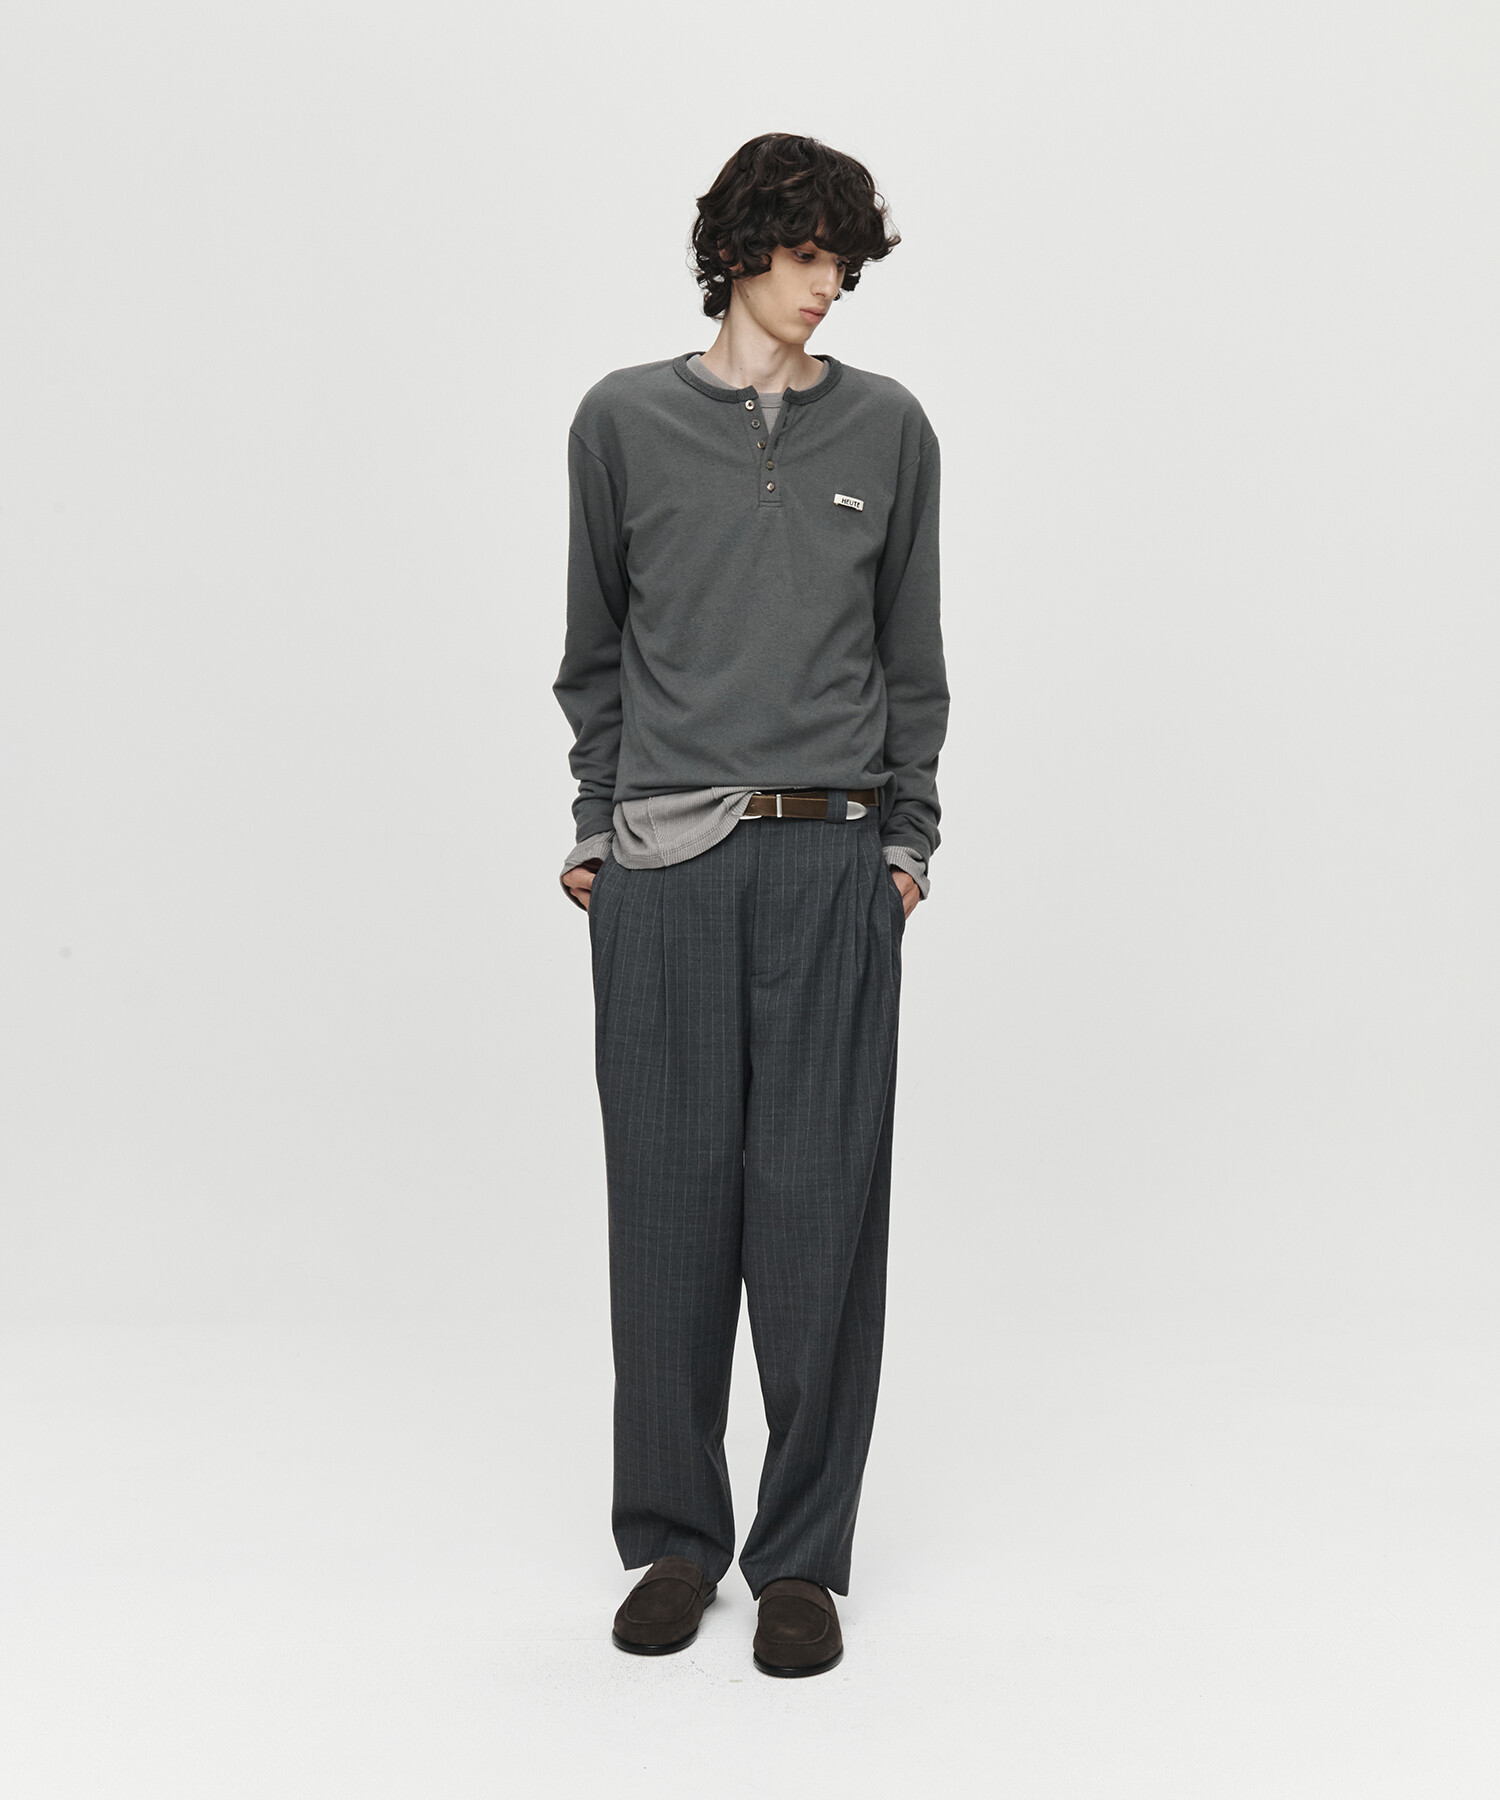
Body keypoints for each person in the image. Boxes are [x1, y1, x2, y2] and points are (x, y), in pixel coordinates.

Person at [551, 132, 948, 1678]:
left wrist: (905, 847)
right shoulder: (621, 422)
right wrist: (596, 826)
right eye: (804, 254)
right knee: (664, 1211)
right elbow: (595, 652)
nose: (828, 283)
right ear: (736, 253)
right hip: (663, 871)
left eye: (844, 260)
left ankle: (799, 1561)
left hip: (833, 865)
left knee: (818, 1217)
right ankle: (672, 1540)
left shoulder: (891, 429)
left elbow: (911, 659)